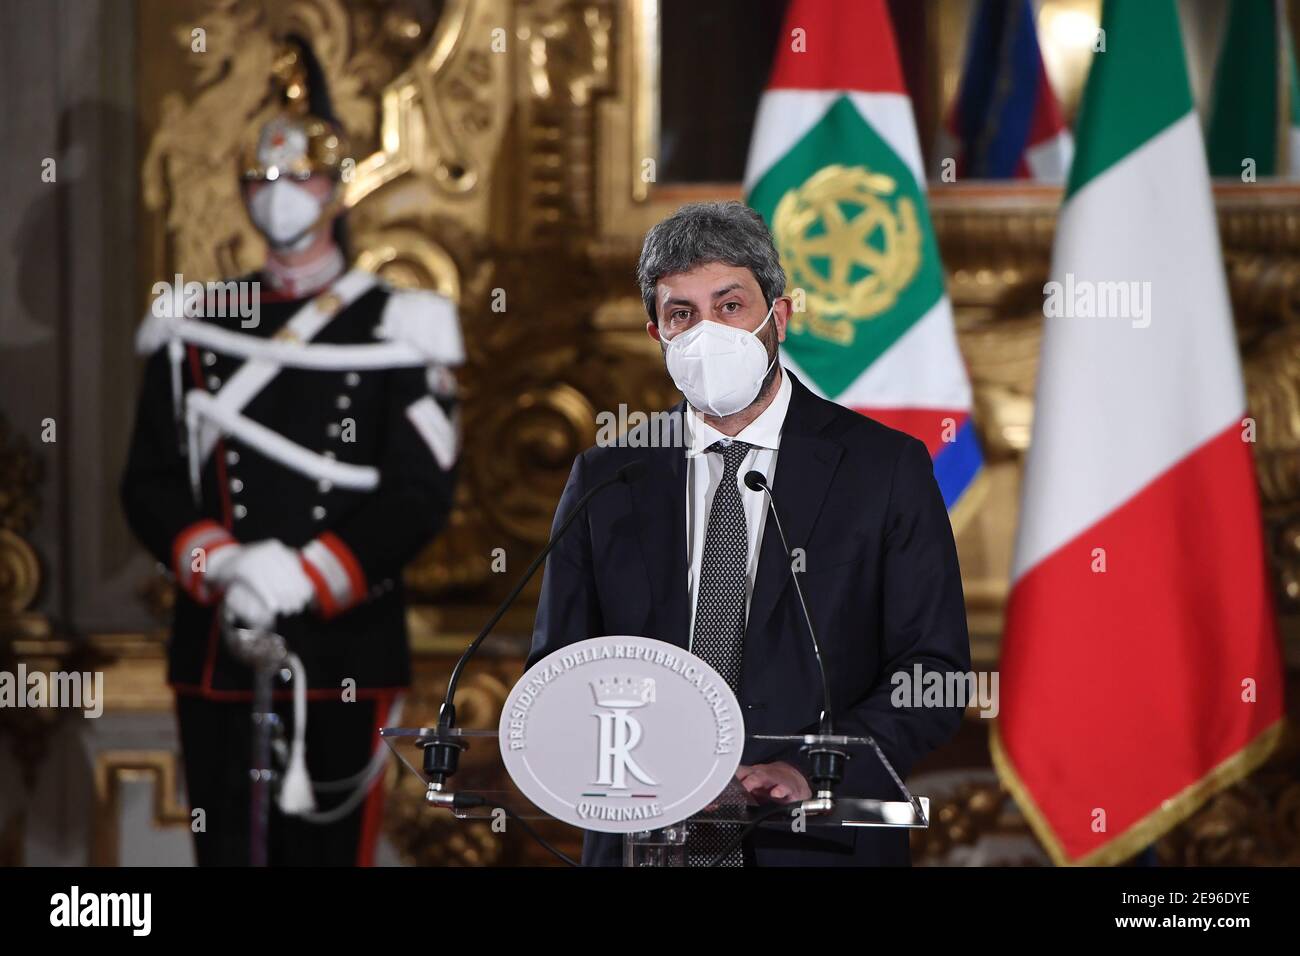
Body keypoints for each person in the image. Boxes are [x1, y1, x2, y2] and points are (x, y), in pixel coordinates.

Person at [528, 201, 970, 866]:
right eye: (683, 314)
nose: (707, 330)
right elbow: (558, 673)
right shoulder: (605, 477)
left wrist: (809, 768)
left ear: (779, 316)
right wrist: (645, 766)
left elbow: (933, 673)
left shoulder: (883, 468)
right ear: (657, 332)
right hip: (649, 842)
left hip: (820, 842)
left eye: (729, 305)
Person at [121, 39, 463, 866]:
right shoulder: (197, 321)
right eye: (262, 181)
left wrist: (308, 575)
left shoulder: (399, 322)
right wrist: (225, 566)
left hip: (343, 642)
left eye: (300, 178)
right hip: (219, 637)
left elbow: (419, 494)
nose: (280, 197)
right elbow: (150, 480)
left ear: (337, 188)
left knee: (328, 854)